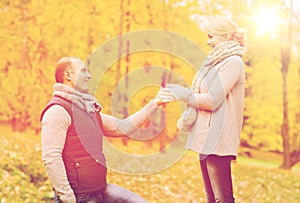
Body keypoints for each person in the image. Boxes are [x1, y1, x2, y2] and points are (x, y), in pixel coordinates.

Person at [40, 57, 166, 203]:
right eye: (83, 71)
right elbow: (51, 157)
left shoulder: (87, 108)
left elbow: (123, 127)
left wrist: (155, 103)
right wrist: (67, 197)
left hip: (100, 190)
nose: (89, 76)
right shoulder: (58, 111)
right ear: (68, 75)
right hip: (79, 197)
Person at [159, 16, 246, 203]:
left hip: (219, 140)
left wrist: (181, 94)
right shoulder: (215, 62)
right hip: (207, 137)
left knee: (222, 198)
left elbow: (213, 100)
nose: (208, 42)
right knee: (211, 198)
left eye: (211, 36)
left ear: (225, 36)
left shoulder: (232, 63)